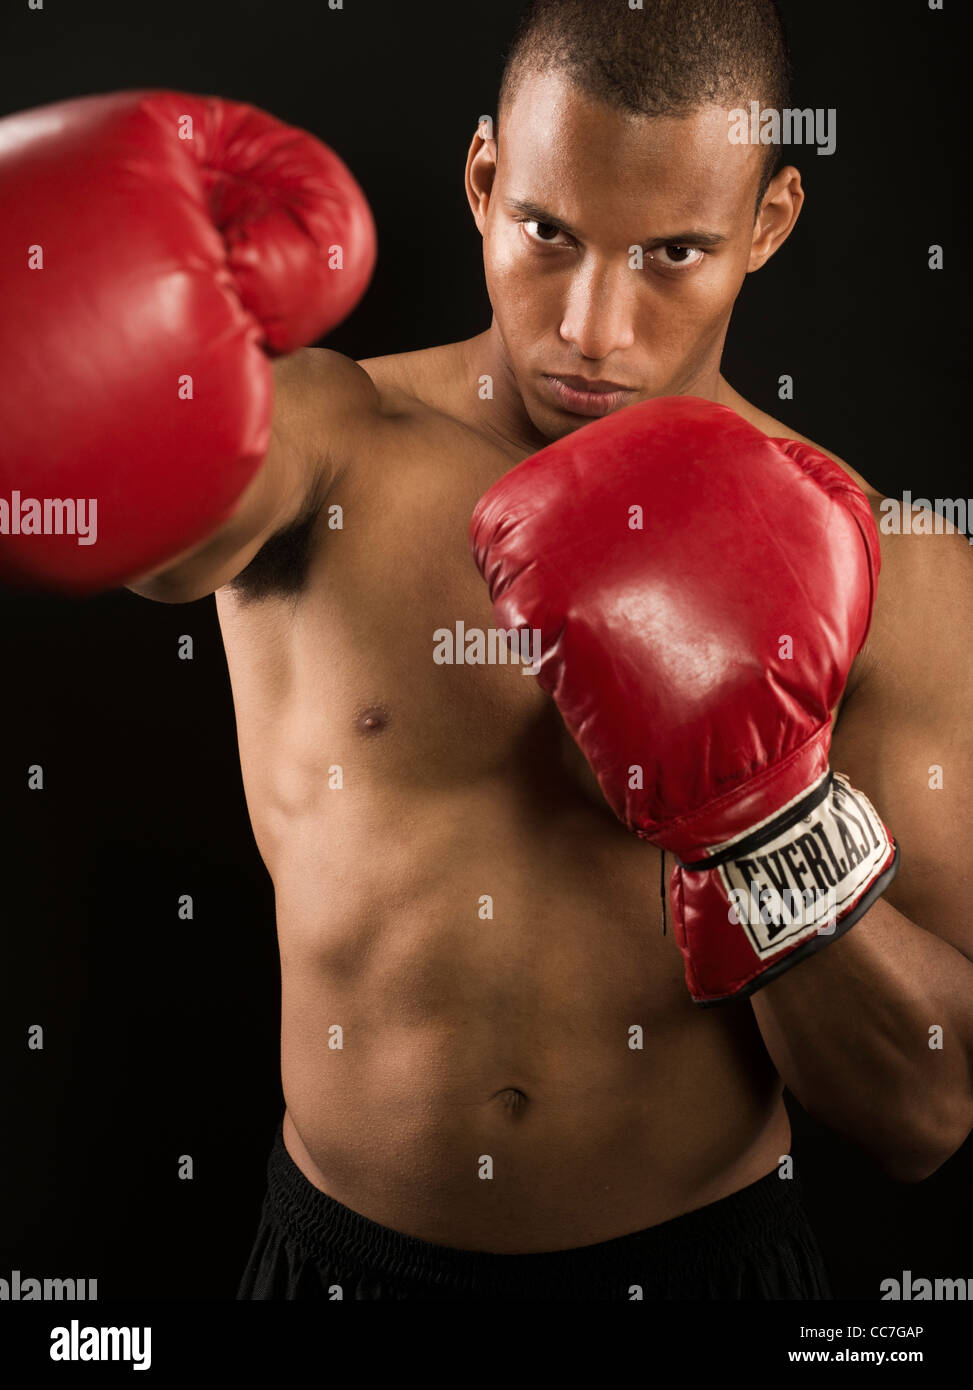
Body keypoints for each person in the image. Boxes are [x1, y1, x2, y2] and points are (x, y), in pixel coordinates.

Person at [2, 0, 971, 1301]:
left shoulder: (892, 571)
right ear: (480, 181)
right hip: (332, 1261)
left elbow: (925, 1104)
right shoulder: (321, 448)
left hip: (699, 1274)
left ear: (768, 224)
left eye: (671, 252)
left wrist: (763, 816)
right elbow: (141, 516)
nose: (591, 324)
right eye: (544, 232)